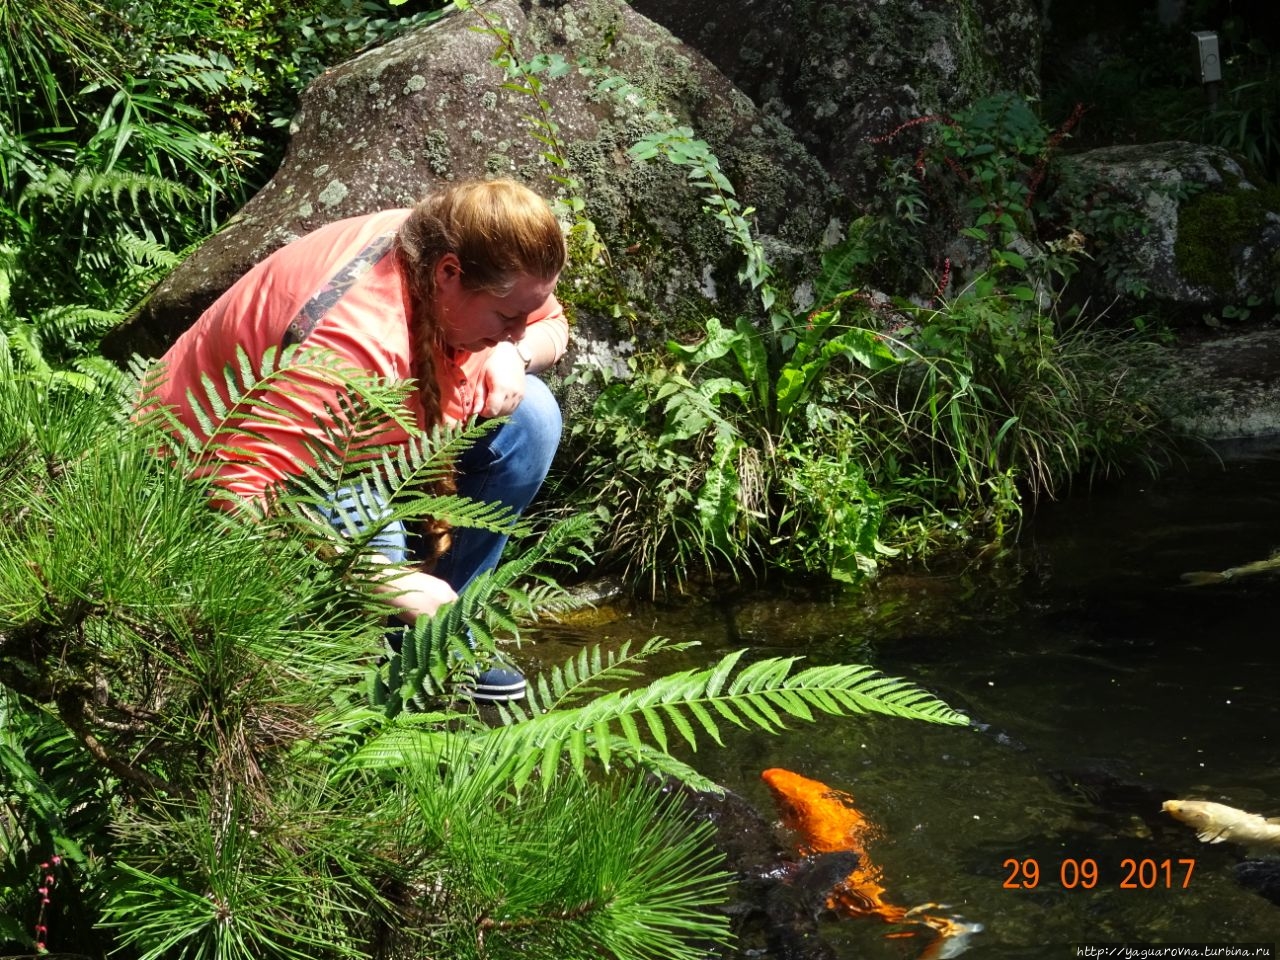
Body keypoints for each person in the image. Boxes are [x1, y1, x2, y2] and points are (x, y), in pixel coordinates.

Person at [145, 178, 569, 702]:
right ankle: (374, 680)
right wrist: (387, 581)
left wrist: (515, 353)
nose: (517, 327)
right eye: (507, 319)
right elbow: (239, 491)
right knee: (378, 549)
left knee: (534, 417)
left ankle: (440, 632)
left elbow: (552, 324)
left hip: (365, 435)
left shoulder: (457, 251)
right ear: (449, 275)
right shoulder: (349, 343)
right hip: (220, 460)